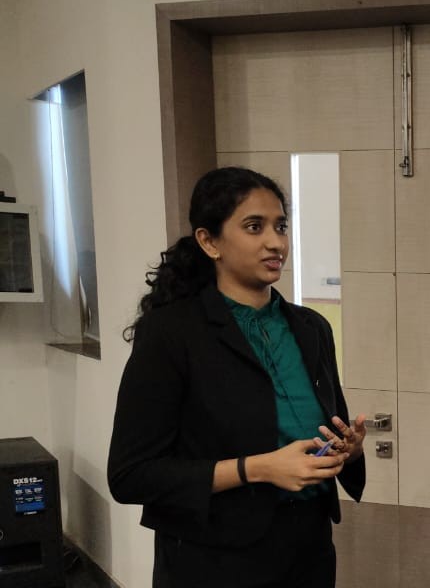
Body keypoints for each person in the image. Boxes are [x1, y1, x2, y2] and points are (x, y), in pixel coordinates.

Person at [107, 167, 367, 588]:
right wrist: (258, 469)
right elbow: (131, 475)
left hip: (309, 549)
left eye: (281, 226)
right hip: (213, 560)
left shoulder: (311, 328)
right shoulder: (172, 333)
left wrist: (348, 450)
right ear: (209, 242)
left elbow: (327, 426)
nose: (276, 242)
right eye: (254, 226)